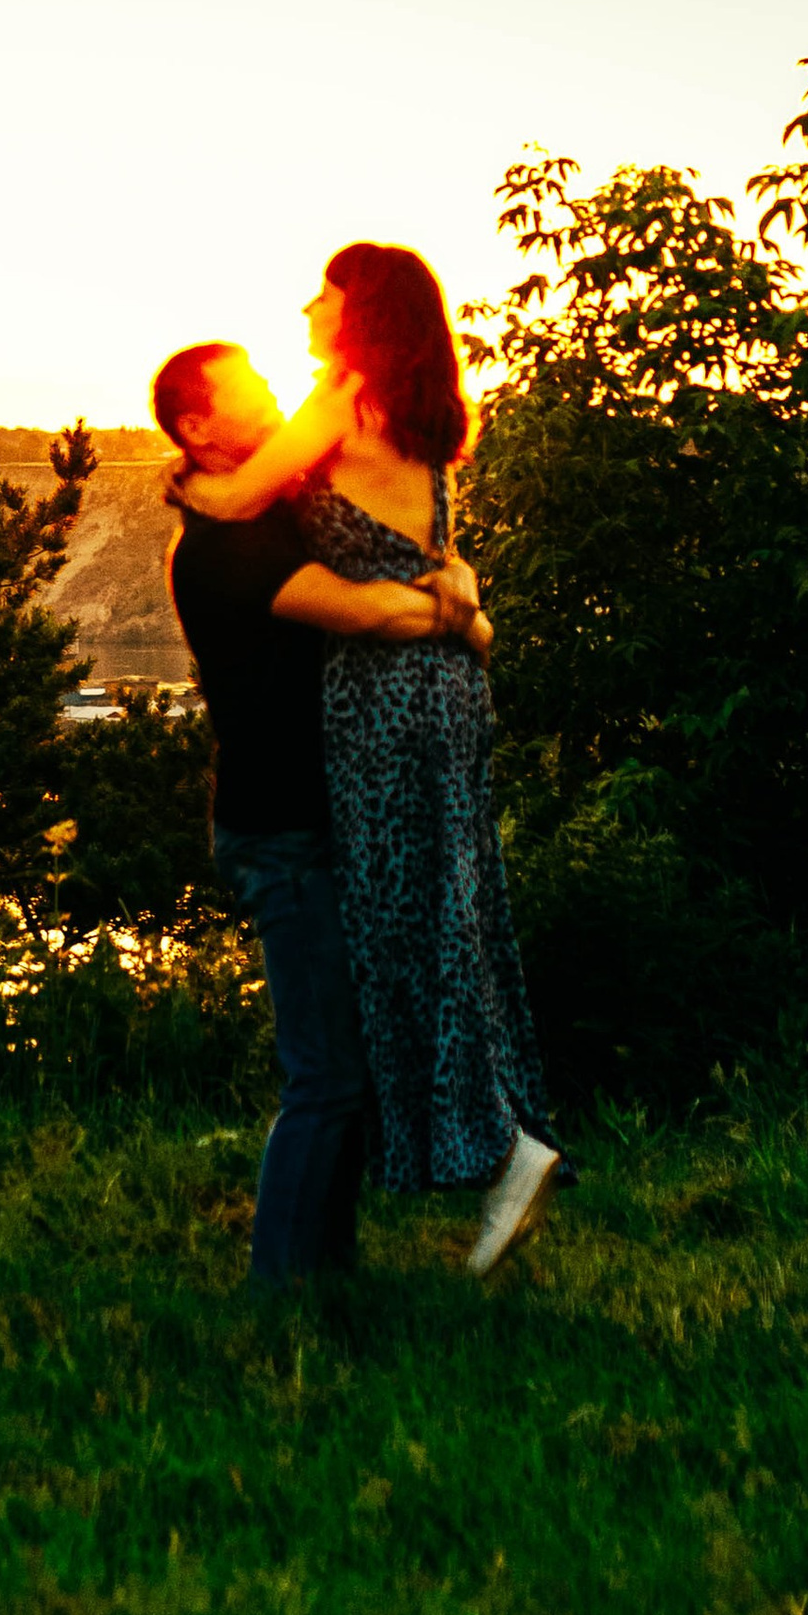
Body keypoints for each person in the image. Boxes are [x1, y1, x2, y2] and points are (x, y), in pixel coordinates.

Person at [175, 244, 562, 1278]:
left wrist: (183, 474)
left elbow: (231, 499)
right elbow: (435, 566)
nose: (305, 304)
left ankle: (498, 1147)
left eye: (324, 292)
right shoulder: (422, 411)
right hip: (441, 691)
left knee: (409, 934)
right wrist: (458, 603)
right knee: (452, 910)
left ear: (362, 316)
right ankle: (498, 1135)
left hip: (387, 698)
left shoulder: (341, 395)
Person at [154, 335, 489, 1292]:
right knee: (326, 1076)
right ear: (198, 427)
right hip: (280, 833)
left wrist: (449, 579)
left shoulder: (274, 514)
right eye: (247, 389)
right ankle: (286, 1290)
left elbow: (396, 559)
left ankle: (326, 1276)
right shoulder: (223, 547)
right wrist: (455, 608)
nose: (271, 395)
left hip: (324, 823)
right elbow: (368, 612)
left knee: (352, 1072)